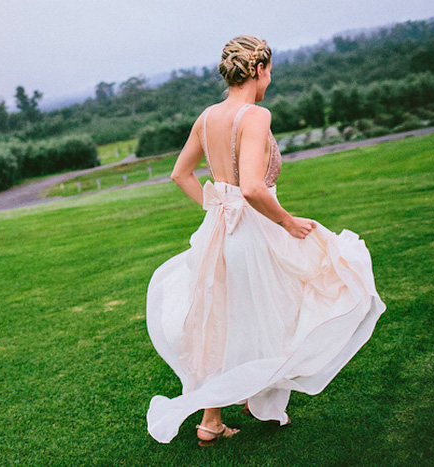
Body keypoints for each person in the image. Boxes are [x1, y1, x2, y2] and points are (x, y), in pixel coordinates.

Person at [145, 35, 386, 447]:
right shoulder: (255, 116)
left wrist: (215, 206)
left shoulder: (207, 117)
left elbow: (180, 174)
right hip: (253, 230)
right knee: (298, 299)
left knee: (228, 318)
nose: (270, 77)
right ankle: (257, 398)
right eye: (270, 69)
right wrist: (288, 222)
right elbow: (254, 189)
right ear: (258, 70)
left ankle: (217, 416)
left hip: (221, 232)